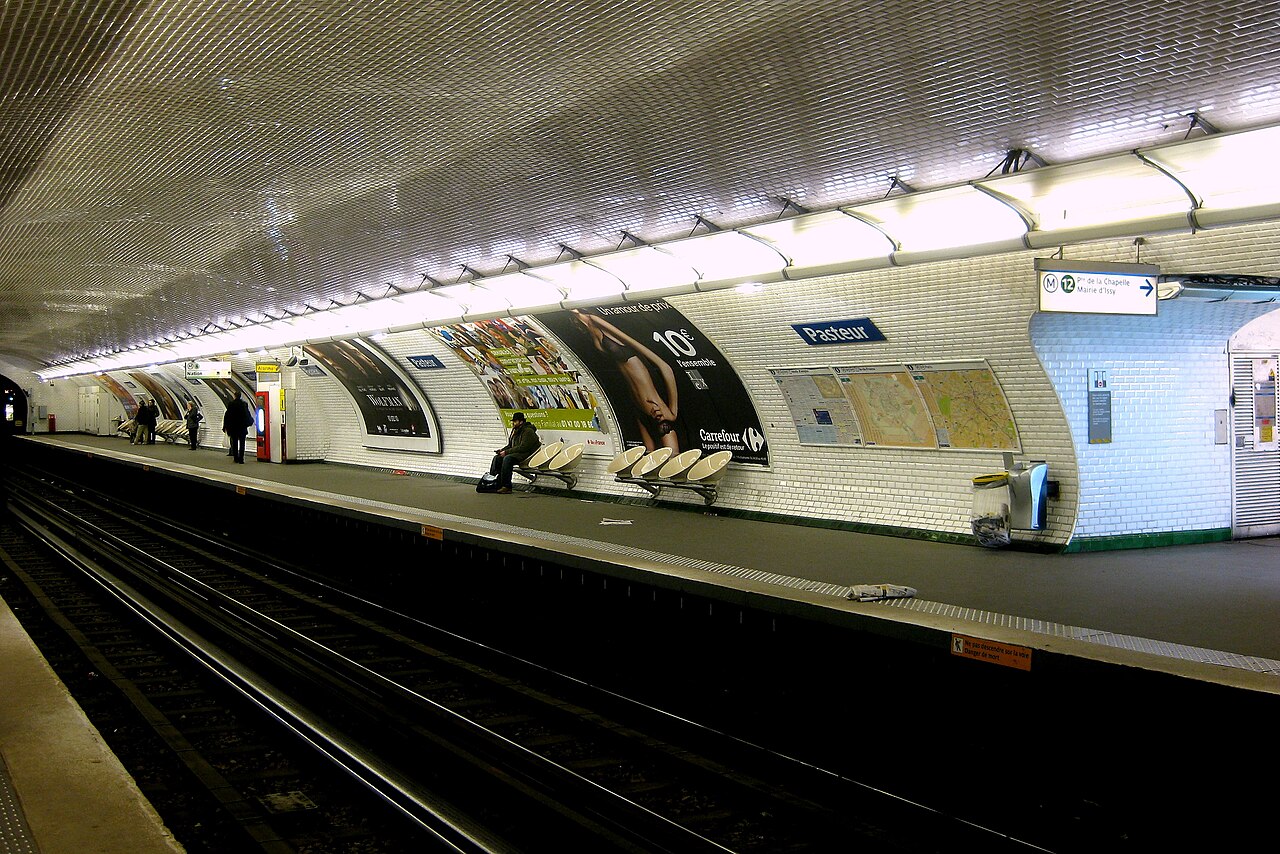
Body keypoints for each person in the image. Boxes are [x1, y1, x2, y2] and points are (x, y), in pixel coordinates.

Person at [569, 309, 680, 451]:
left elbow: (665, 367)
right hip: (638, 410)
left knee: (673, 463)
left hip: (655, 409)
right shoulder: (588, 330)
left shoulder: (596, 320)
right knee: (647, 465)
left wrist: (673, 412)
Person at [487, 412, 539, 494]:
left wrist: (506, 452)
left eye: (515, 421)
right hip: (517, 453)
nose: (513, 423)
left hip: (526, 454)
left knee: (507, 459)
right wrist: (502, 451)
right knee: (497, 458)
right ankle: (495, 481)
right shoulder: (515, 431)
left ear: (521, 422)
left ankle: (507, 486)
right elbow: (510, 445)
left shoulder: (528, 431)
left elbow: (524, 447)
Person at [222, 396, 254, 463]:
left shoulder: (231, 404)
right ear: (240, 396)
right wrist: (250, 422)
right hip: (242, 428)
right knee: (242, 444)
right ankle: (241, 459)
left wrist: (225, 426)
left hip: (234, 428)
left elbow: (227, 416)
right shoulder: (244, 404)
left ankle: (236, 458)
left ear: (234, 396)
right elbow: (247, 415)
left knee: (235, 443)